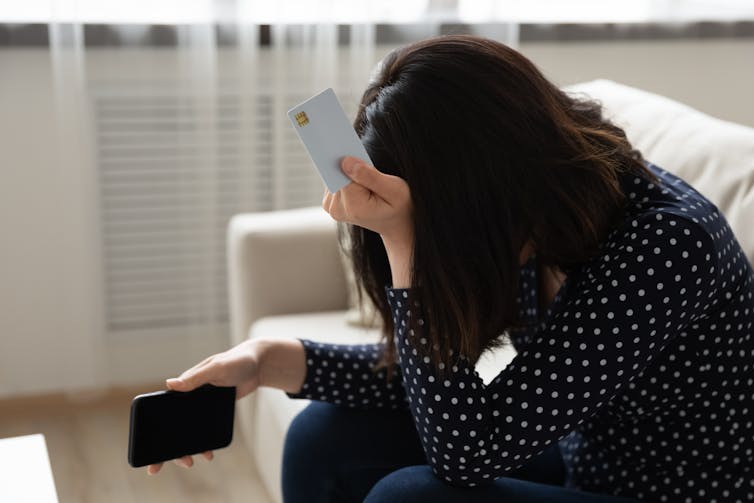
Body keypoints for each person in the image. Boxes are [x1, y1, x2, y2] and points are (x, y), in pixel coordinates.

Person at [147, 35, 754, 502]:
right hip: (585, 455)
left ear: (483, 188)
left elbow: (468, 453)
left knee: (409, 496)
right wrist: (269, 359)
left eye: (432, 221)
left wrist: (404, 242)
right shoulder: (537, 217)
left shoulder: (665, 248)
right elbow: (445, 377)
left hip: (669, 492)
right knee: (323, 436)